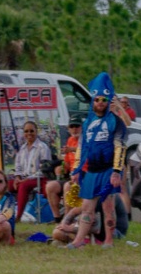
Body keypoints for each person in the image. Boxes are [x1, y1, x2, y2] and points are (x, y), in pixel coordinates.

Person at [69, 73, 126, 248]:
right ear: (92, 101)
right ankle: (79, 240)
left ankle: (108, 240)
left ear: (108, 101)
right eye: (96, 99)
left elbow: (120, 147)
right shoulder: (88, 123)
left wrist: (117, 171)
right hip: (91, 171)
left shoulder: (116, 122)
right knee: (87, 208)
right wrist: (76, 169)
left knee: (108, 206)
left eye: (103, 99)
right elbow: (82, 146)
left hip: (108, 169)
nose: (100, 102)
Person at [12, 121, 52, 219]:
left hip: (38, 178)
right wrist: (17, 177)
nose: (29, 134)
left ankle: (18, 217)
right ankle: (3, 214)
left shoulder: (42, 147)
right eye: (26, 131)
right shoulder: (22, 148)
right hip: (24, 178)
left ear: (36, 132)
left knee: (23, 185)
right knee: (4, 184)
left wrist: (26, 179)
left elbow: (44, 169)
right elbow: (17, 166)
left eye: (31, 131)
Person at [45, 115, 82, 218]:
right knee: (50, 186)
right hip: (70, 176)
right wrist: (62, 167)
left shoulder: (86, 140)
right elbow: (67, 162)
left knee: (68, 186)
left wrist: (71, 149)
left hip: (83, 176)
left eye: (77, 126)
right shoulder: (70, 140)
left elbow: (86, 151)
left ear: (82, 127)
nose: (74, 129)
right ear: (68, 129)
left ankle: (67, 219)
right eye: (72, 126)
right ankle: (57, 218)